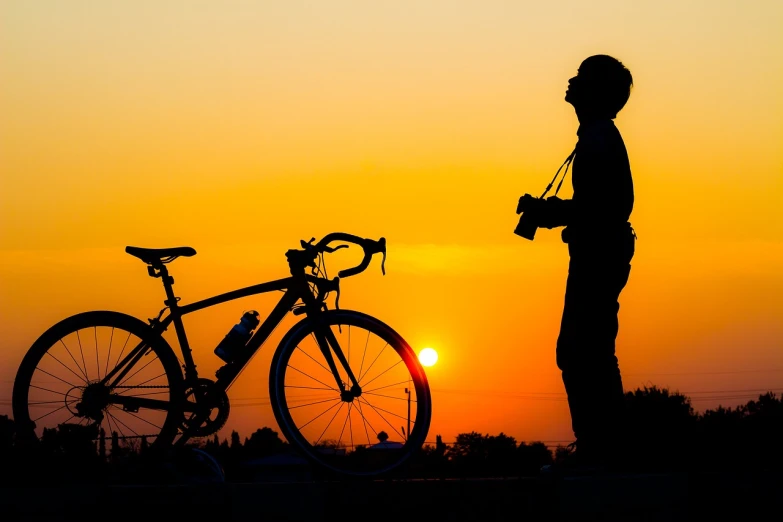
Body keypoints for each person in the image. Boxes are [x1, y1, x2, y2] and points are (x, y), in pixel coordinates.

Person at [516, 55, 636, 469]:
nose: (570, 80)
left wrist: (547, 214)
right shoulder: (597, 136)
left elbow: (603, 207)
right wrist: (549, 212)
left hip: (598, 254)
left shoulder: (598, 138)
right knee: (589, 350)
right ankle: (604, 447)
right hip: (601, 251)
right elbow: (599, 205)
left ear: (595, 91)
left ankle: (602, 450)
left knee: (583, 351)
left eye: (581, 76)